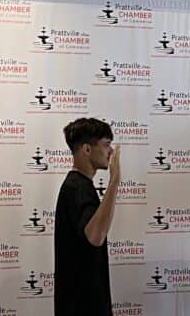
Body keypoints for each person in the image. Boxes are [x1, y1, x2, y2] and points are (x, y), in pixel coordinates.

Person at [54, 118, 121, 315]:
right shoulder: (77, 188)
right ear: (87, 149)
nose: (111, 151)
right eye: (106, 145)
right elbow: (96, 236)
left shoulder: (79, 185)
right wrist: (115, 180)